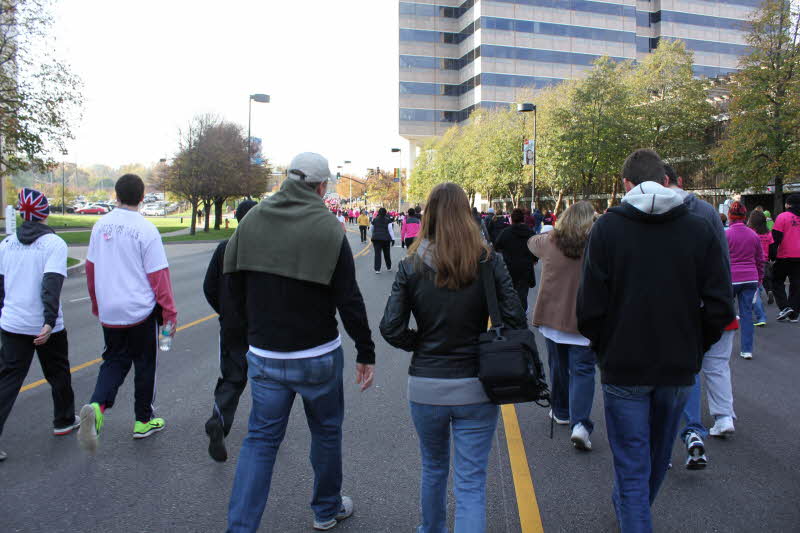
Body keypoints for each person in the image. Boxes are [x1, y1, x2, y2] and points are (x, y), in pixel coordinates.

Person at [576, 149, 734, 532]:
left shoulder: (607, 229)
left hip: (624, 366)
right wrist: (695, 344)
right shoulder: (699, 228)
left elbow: (589, 309)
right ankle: (633, 512)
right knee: (656, 458)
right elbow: (720, 304)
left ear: (625, 184)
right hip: (677, 367)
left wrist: (605, 348)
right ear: (666, 181)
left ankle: (632, 512)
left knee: (633, 466)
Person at [223, 153, 375, 532]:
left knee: (260, 441)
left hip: (265, 354)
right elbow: (349, 299)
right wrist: (365, 350)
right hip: (318, 354)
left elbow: (231, 285)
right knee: (326, 433)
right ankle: (326, 510)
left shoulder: (253, 220)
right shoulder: (328, 229)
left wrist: (244, 336)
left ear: (288, 179)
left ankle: (240, 527)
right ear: (321, 187)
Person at [380, 182, 525, 533]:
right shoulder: (488, 261)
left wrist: (421, 343)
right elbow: (516, 318)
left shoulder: (412, 264)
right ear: (466, 214)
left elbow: (390, 327)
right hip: (477, 383)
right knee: (471, 481)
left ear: (428, 215)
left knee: (433, 468)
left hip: (426, 384)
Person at [78, 174, 178, 451]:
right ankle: (143, 420)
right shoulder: (146, 230)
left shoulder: (100, 226)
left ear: (117, 195)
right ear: (142, 197)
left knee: (114, 361)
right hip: (139, 311)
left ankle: (97, 407)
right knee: (145, 364)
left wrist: (97, 303)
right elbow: (159, 276)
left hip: (110, 309)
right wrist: (169, 313)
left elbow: (90, 269)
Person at [663, 164, 737, 467]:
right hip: (706, 305)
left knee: (669, 377)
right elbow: (721, 265)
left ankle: (665, 444)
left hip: (671, 309)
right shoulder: (706, 212)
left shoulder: (655, 212)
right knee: (708, 368)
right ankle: (706, 425)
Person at [0, 188, 75, 462]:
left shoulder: (6, 244)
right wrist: (48, 321)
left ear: (22, 214)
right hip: (44, 325)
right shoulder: (54, 244)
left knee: (8, 380)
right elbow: (51, 284)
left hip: (12, 323)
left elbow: (0, 286)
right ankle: (64, 420)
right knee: (58, 372)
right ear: (44, 213)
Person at [529, 201, 597, 451]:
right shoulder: (595, 244)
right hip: (583, 319)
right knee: (583, 371)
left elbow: (531, 242)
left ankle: (560, 410)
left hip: (552, 317)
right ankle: (580, 424)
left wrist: (550, 230)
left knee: (558, 366)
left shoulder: (550, 241)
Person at [202, 199, 257, 462]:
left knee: (233, 376)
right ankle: (264, 428)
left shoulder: (224, 248)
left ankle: (219, 419)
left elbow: (209, 287)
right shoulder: (265, 249)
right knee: (265, 379)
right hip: (259, 326)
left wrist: (224, 311)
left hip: (232, 324)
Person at [726, 201, 764, 359]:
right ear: (744, 216)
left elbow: (720, 259)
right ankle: (747, 349)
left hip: (731, 278)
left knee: (726, 312)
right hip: (750, 278)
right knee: (747, 314)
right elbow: (760, 260)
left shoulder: (725, 234)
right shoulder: (753, 235)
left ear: (730, 216)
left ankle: (724, 347)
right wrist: (759, 280)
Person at [494, 208, 536, 313]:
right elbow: (536, 248)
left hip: (510, 267)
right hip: (526, 268)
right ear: (523, 219)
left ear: (511, 219)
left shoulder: (506, 232)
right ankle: (522, 314)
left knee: (510, 293)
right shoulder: (530, 232)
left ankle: (513, 314)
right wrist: (534, 259)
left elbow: (496, 246)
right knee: (523, 294)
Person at [772, 193, 800, 322]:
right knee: (796, 285)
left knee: (777, 281)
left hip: (784, 255)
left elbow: (775, 238)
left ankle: (785, 307)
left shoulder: (783, 217)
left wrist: (772, 255)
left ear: (788, 204)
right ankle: (794, 314)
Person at [748, 210, 773, 326]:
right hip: (765, 261)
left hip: (753, 261)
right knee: (763, 280)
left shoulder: (751, 233)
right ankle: (767, 290)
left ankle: (760, 316)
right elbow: (772, 248)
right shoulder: (768, 234)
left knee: (755, 289)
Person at [370, 207, 395, 274]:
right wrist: (393, 239)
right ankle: (389, 267)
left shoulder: (374, 219)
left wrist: (374, 234)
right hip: (386, 239)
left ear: (378, 212)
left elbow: (371, 228)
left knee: (377, 254)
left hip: (376, 239)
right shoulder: (388, 220)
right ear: (385, 213)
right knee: (387, 253)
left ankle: (377, 269)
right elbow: (390, 230)